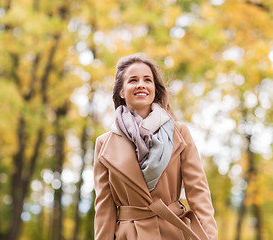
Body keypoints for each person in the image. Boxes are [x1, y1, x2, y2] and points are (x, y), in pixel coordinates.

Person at [93, 53, 218, 240]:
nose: (141, 84)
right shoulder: (104, 144)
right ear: (121, 91)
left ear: (155, 89)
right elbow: (104, 208)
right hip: (130, 235)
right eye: (133, 80)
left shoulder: (180, 133)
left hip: (173, 231)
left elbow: (199, 194)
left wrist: (210, 236)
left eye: (147, 80)